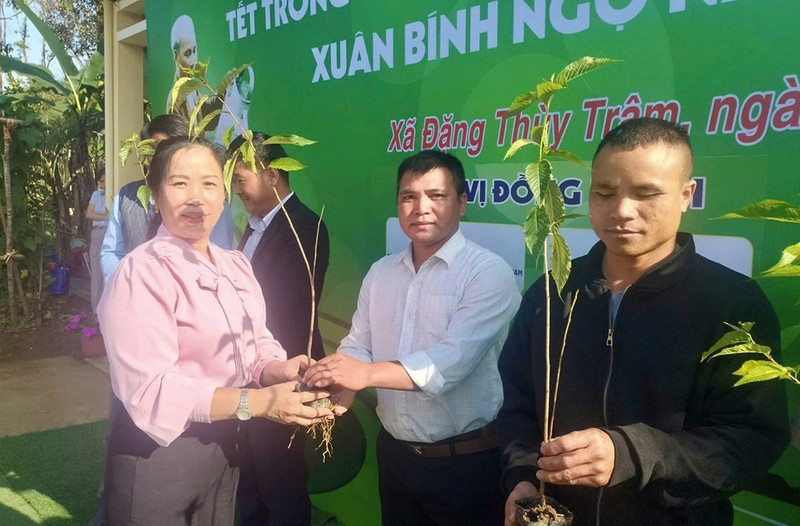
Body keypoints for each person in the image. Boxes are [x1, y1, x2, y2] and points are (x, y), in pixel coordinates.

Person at [497, 117, 789, 526]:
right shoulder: (555, 293)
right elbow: (517, 404)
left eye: (646, 193)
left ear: (687, 194)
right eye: (604, 192)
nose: (621, 211)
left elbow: (752, 437)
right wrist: (524, 476)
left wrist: (632, 454)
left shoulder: (732, 305)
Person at [98, 136, 332, 525]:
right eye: (179, 183)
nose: (196, 198)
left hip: (225, 452)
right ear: (155, 194)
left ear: (224, 194)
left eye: (209, 183)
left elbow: (255, 340)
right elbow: (152, 388)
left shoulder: (234, 265)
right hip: (162, 456)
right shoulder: (143, 272)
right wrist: (258, 403)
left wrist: (279, 367)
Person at [304, 150, 521, 526]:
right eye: (409, 196)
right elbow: (359, 343)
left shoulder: (488, 273)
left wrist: (366, 375)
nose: (421, 207)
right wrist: (339, 378)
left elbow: (449, 365)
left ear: (462, 203)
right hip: (395, 458)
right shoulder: (381, 272)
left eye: (436, 195)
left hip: (465, 464)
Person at [228, 132, 329, 526]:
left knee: (281, 481)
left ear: (271, 174)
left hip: (286, 373)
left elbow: (281, 309)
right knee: (251, 475)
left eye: (239, 181)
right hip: (252, 375)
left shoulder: (305, 228)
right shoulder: (254, 226)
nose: (236, 191)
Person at [100, 113, 234, 282]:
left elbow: (218, 251)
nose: (170, 157)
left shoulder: (209, 203)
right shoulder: (126, 197)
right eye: (160, 148)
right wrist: (122, 286)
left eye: (177, 148)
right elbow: (112, 252)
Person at [86, 168, 108, 312]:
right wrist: (107, 217)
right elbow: (89, 213)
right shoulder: (96, 194)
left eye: (104, 180)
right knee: (96, 273)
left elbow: (94, 214)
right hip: (98, 233)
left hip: (110, 233)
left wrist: (99, 216)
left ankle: (108, 309)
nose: (102, 184)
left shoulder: (115, 194)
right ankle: (95, 310)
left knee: (110, 270)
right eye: (100, 181)